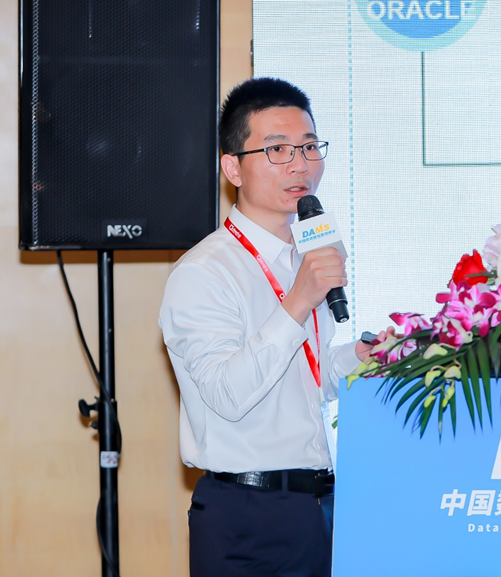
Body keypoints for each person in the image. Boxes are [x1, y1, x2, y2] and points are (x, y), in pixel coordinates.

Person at [158, 77, 389, 577]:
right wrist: (298, 300)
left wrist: (358, 358)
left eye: (309, 147)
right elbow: (227, 395)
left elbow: (306, 382)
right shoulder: (203, 272)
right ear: (232, 168)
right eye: (278, 150)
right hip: (248, 516)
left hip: (320, 505)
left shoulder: (308, 254)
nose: (300, 164)